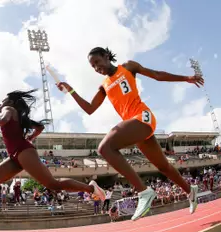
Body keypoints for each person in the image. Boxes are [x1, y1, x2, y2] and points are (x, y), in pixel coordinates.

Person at [56, 47, 203, 221]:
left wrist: (186, 78)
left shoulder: (128, 67)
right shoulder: (104, 85)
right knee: (163, 167)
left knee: (105, 148)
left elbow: (157, 75)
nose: (96, 68)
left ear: (106, 56)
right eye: (92, 67)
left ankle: (144, 192)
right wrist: (71, 90)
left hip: (143, 117)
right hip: (136, 127)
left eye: (97, 62)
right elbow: (89, 109)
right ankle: (190, 190)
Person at [0, 89, 106, 232]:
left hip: (24, 153)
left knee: (53, 184)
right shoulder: (19, 116)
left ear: (10, 102)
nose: (0, 103)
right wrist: (31, 137)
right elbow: (39, 127)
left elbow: (3, 118)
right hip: (15, 156)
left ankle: (91, 188)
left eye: (3, 100)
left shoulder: (9, 110)